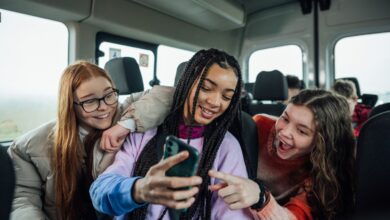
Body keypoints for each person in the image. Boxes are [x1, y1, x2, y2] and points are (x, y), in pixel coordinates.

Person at [89, 48, 252, 219]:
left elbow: (232, 214)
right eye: (206, 88)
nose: (215, 102)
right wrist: (140, 189)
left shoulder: (226, 146)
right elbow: (100, 192)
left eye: (226, 97)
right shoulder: (144, 133)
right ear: (188, 83)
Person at [7, 61, 172, 220]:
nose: (104, 106)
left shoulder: (127, 111)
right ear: (70, 104)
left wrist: (126, 124)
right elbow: (23, 201)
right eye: (90, 101)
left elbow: (170, 94)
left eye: (109, 94)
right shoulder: (31, 146)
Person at [208, 89, 356, 219]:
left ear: (323, 141)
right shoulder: (256, 127)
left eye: (302, 131)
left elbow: (295, 216)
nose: (284, 132)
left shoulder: (320, 175)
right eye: (285, 118)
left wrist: (261, 198)